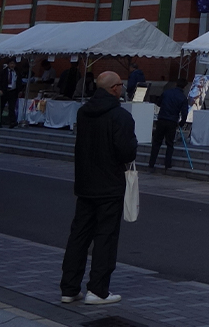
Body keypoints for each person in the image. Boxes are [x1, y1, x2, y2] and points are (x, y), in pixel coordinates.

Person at [59, 71, 136, 306]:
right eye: (121, 85)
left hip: (85, 182)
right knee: (105, 238)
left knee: (79, 236)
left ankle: (69, 288)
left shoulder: (84, 113)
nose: (122, 88)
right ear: (114, 88)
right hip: (110, 184)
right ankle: (98, 289)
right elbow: (127, 152)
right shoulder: (120, 116)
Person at [149, 78, 189, 173]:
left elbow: (159, 103)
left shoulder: (167, 93)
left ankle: (151, 162)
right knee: (170, 143)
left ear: (175, 84)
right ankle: (167, 163)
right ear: (184, 86)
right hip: (172, 121)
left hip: (162, 119)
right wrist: (181, 123)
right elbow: (184, 113)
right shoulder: (183, 97)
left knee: (156, 142)